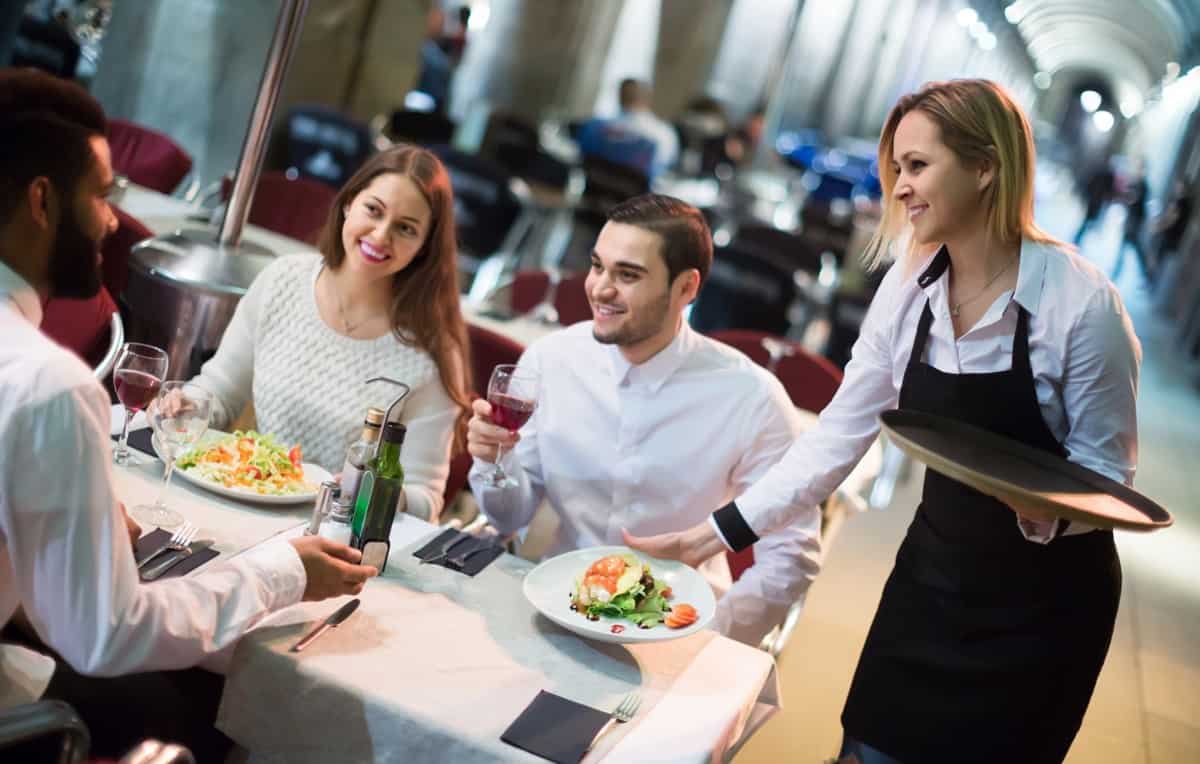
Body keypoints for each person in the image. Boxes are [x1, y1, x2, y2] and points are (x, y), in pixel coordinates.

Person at [626, 80, 1141, 763]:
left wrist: (1043, 511)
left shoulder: (1081, 304)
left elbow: (1109, 477)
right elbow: (836, 438)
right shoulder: (908, 285)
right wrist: (708, 536)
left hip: (1042, 613)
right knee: (867, 750)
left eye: (918, 166)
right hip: (933, 579)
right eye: (897, 167)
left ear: (986, 167)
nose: (898, 187)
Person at [0, 68, 377, 759]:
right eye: (102, 195)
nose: (112, 220)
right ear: (42, 201)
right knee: (221, 718)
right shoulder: (49, 385)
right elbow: (106, 632)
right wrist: (284, 572)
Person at [466, 194, 821, 645]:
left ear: (686, 288)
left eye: (627, 275)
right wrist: (494, 459)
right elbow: (510, 516)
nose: (600, 288)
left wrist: (711, 635)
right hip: (559, 606)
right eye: (597, 266)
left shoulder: (753, 398)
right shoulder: (551, 360)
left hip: (680, 622)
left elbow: (792, 553)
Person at [188, 144, 472, 523]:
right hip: (245, 503)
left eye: (406, 228)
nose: (381, 235)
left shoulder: (431, 352)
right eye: (374, 210)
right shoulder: (282, 280)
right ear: (348, 204)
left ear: (423, 247)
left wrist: (380, 493)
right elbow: (218, 394)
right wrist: (184, 406)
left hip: (336, 536)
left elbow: (426, 501)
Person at [1111, 159, 1151, 283]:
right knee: (1127, 246)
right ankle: (1117, 271)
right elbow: (1129, 196)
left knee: (1135, 247)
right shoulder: (1137, 183)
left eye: (1140, 168)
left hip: (1135, 221)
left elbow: (1135, 200)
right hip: (1131, 219)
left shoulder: (1143, 185)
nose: (1138, 170)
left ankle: (1146, 274)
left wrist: (1128, 197)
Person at [1073, 161, 1114, 245]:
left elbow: (1089, 184)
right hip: (1096, 201)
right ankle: (1078, 239)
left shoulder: (1099, 173)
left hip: (1094, 200)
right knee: (1088, 221)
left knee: (1087, 221)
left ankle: (1078, 239)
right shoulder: (1107, 176)